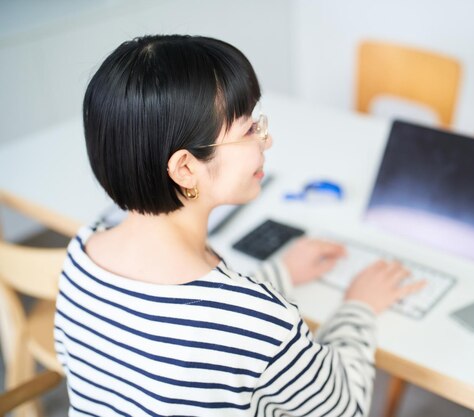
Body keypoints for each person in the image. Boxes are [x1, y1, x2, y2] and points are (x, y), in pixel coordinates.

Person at [54, 34, 424, 417]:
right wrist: (359, 306)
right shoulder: (258, 320)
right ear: (185, 168)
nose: (267, 140)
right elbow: (344, 409)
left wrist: (278, 273)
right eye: (249, 130)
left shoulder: (82, 254)